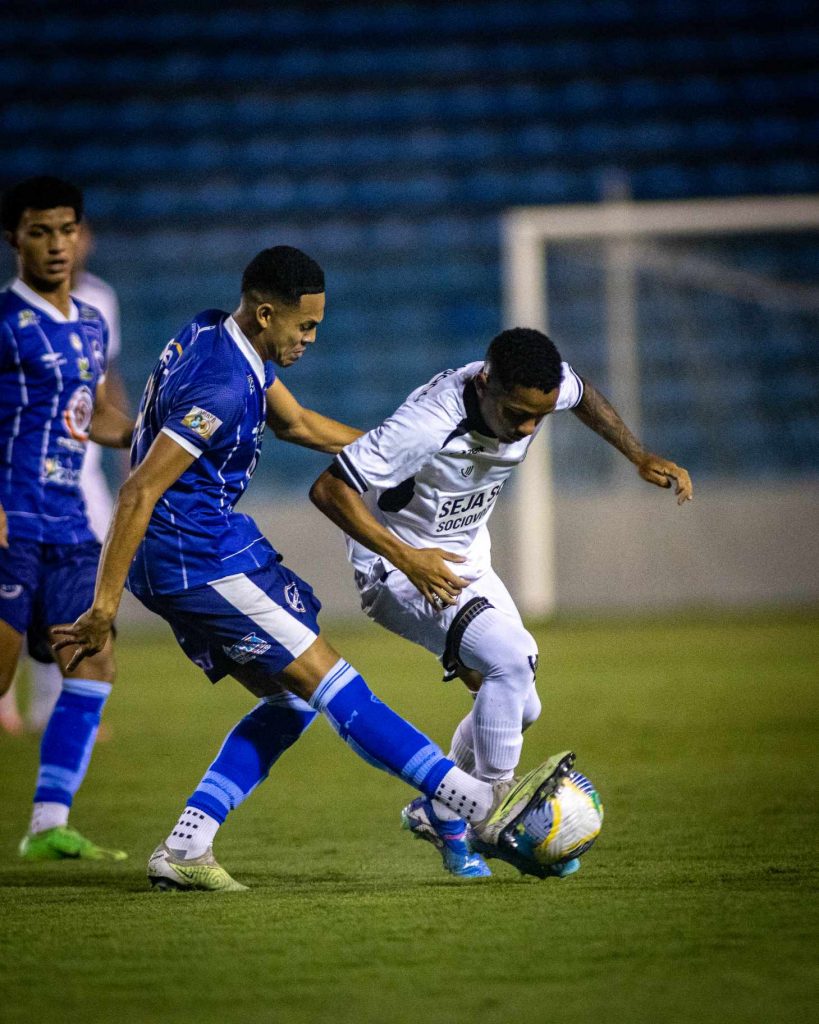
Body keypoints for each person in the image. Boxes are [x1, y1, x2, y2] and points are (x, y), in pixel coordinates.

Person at [54, 246, 573, 892]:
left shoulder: (218, 333)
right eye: (304, 327)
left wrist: (395, 453)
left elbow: (297, 423)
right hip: (197, 556)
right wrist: (103, 609)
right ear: (266, 313)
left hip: (196, 551)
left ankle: (188, 844)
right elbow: (136, 491)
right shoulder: (220, 384)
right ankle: (475, 806)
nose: (311, 339)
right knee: (337, 687)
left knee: (290, 699)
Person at [309, 327, 693, 878]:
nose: (529, 428)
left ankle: (442, 810)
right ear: (486, 383)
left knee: (522, 706)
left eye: (539, 416)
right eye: (517, 415)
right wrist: (407, 558)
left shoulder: (536, 388)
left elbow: (580, 393)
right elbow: (328, 490)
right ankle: (494, 812)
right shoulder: (427, 423)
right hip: (397, 569)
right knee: (509, 660)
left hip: (467, 561)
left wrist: (636, 454)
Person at [0, 175, 134, 860]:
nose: (56, 245)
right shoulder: (3, 321)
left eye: (66, 230)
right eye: (39, 231)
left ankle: (49, 822)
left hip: (70, 523)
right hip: (10, 522)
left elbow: (94, 415)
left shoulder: (90, 320)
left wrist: (151, 438)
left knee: (94, 657)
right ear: (13, 238)